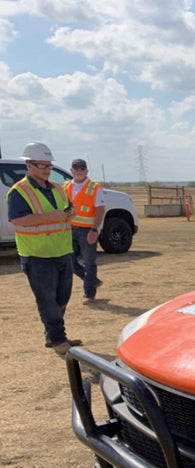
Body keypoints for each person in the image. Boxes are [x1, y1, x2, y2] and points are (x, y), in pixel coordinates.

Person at [4, 142, 81, 356]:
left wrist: (70, 212)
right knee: (47, 300)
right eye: (42, 165)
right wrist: (51, 216)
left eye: (49, 165)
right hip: (37, 255)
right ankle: (58, 339)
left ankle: (53, 334)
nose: (47, 170)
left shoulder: (56, 187)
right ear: (29, 165)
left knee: (61, 299)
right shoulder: (19, 191)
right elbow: (18, 221)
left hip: (62, 251)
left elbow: (66, 207)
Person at [64, 158, 105, 303]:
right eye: (76, 168)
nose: (79, 171)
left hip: (87, 230)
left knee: (89, 262)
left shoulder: (94, 187)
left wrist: (94, 230)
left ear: (86, 171)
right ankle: (92, 280)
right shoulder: (65, 186)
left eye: (82, 169)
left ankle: (89, 294)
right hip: (69, 230)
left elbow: (100, 210)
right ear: (71, 171)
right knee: (69, 260)